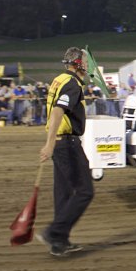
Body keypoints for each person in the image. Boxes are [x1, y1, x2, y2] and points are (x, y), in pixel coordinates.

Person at [37, 47, 94, 257]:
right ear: (78, 64)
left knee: (63, 193)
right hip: (67, 144)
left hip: (61, 144)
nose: (87, 66)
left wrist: (51, 143)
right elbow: (58, 111)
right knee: (85, 191)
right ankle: (54, 233)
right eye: (85, 62)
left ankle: (59, 242)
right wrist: (49, 144)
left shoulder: (59, 80)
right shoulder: (72, 84)